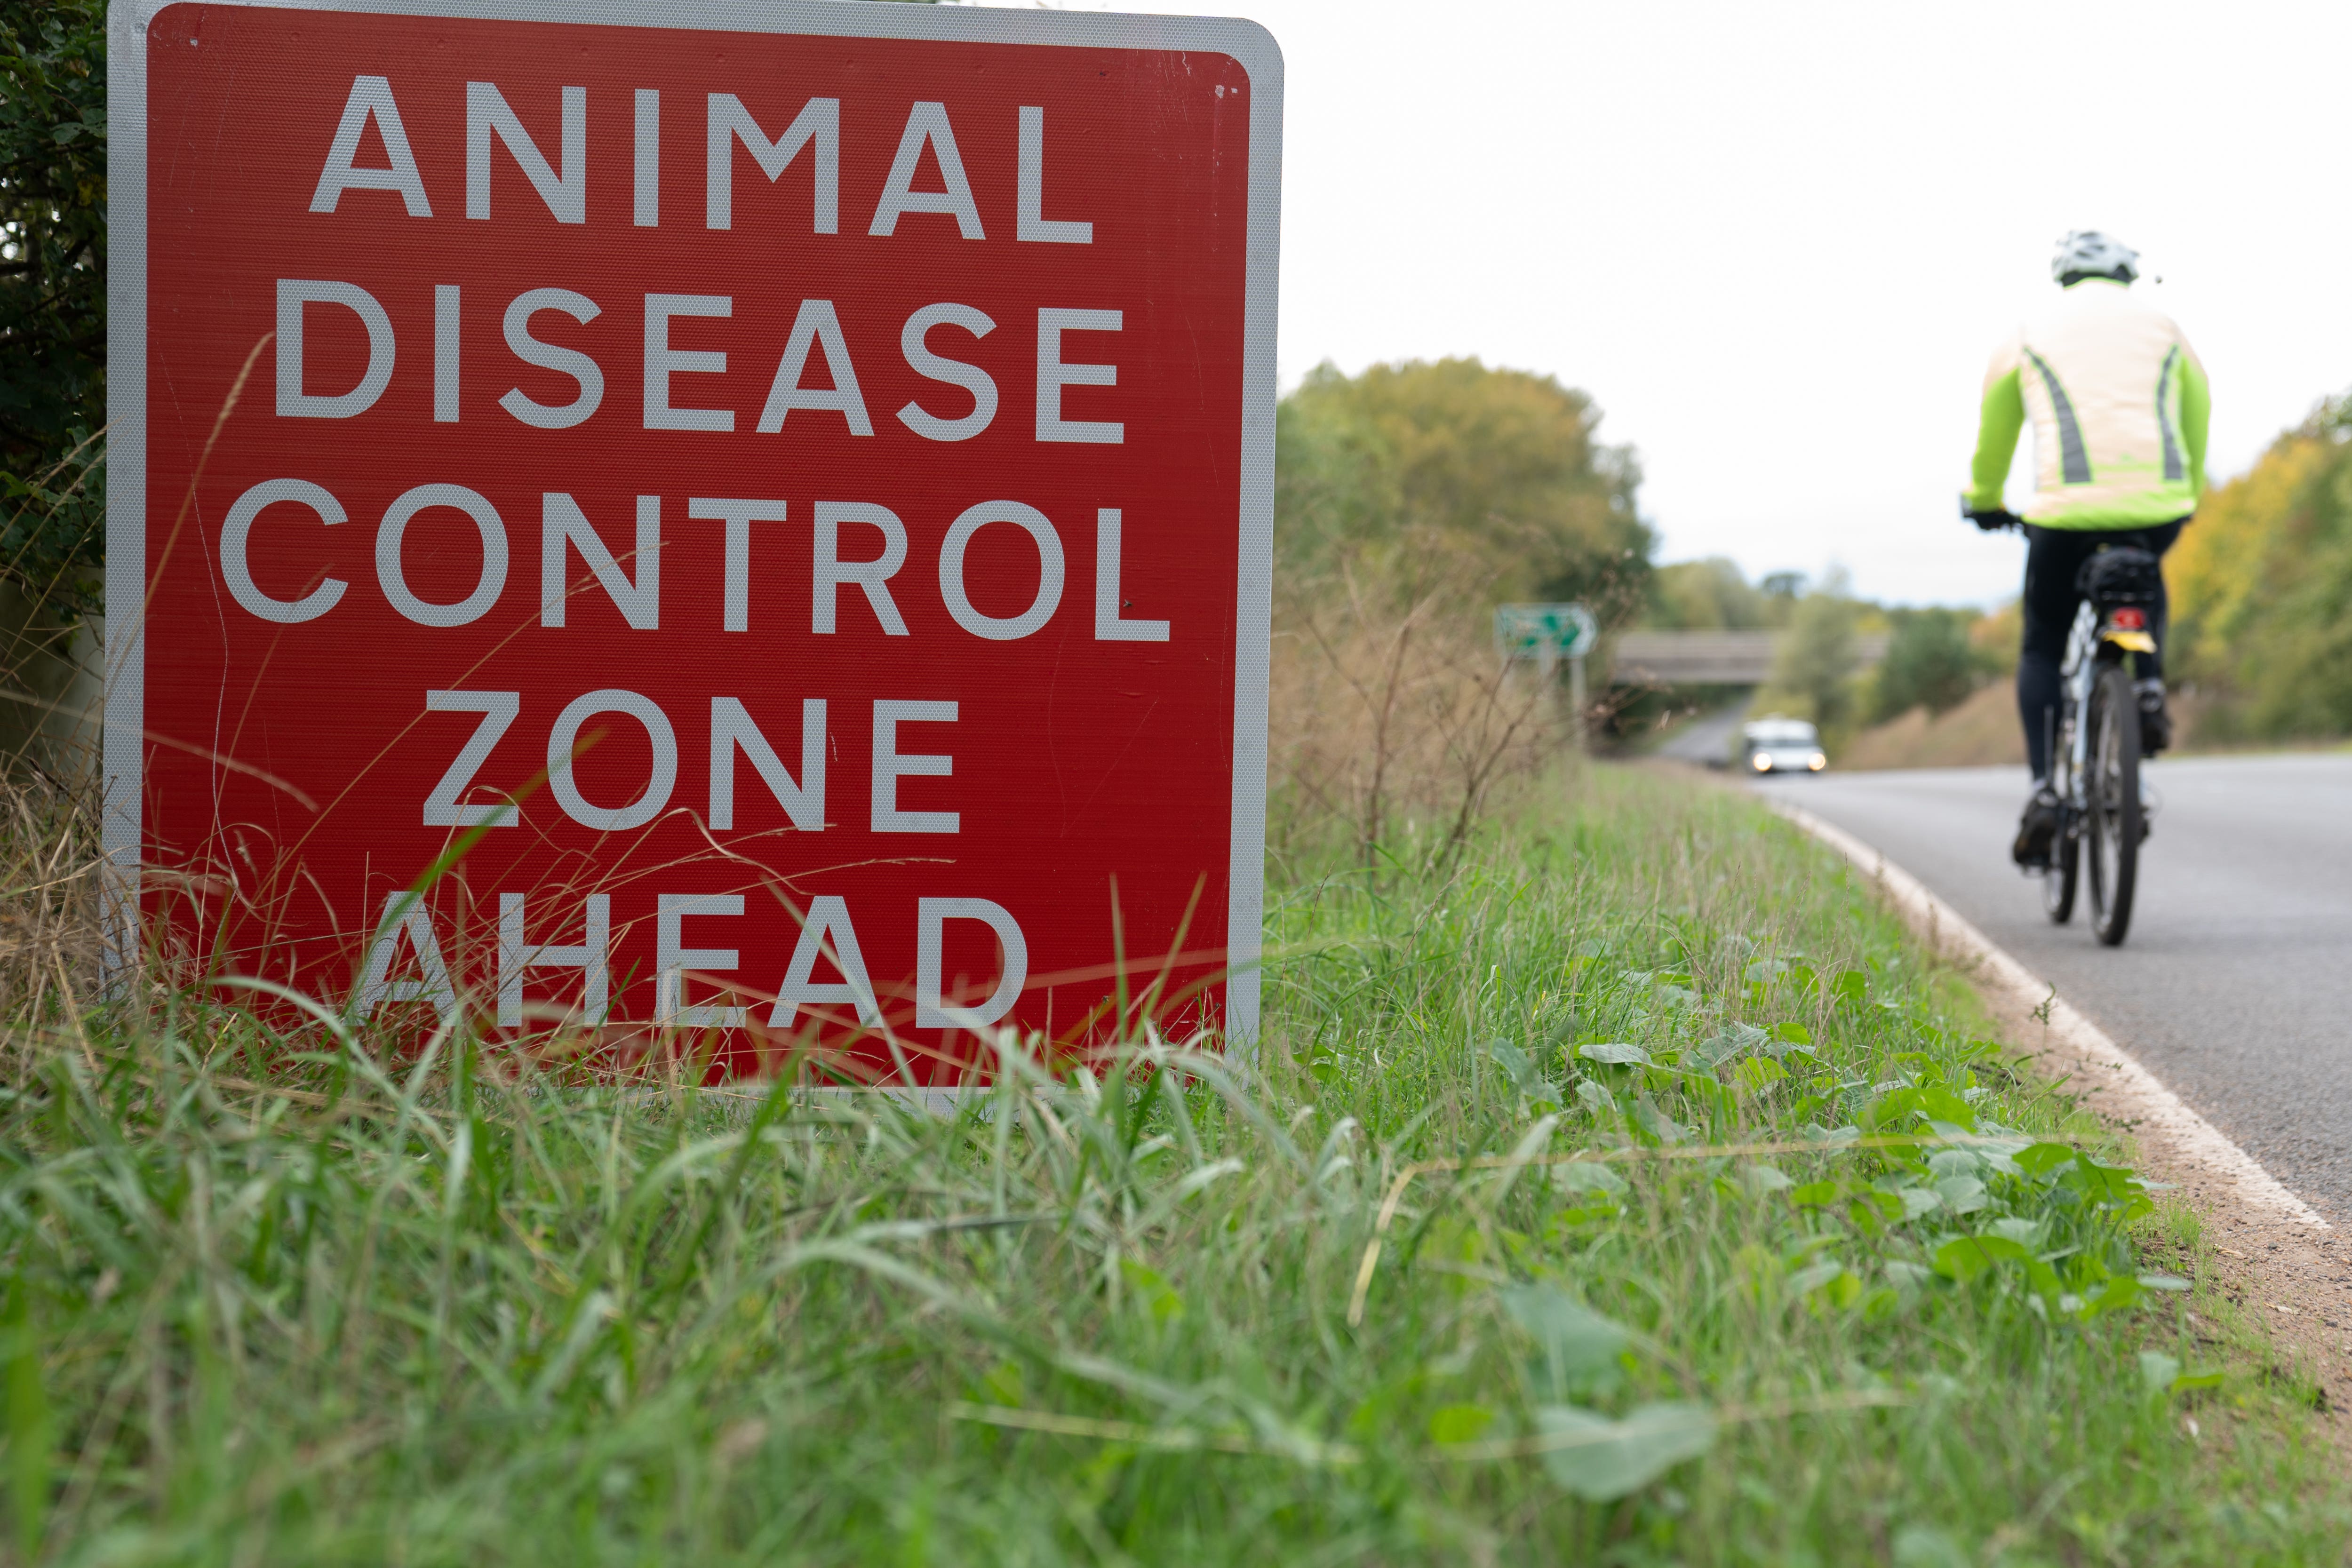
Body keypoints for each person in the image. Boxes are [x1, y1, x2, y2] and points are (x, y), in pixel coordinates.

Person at [1960, 230, 2208, 869]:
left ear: (2064, 277)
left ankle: (2046, 787)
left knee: (2044, 643)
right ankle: (2147, 686)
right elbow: (2198, 408)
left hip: (2064, 515)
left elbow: (1997, 424)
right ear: (2127, 275)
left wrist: (1984, 497)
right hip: (2157, 505)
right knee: (2144, 577)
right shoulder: (2165, 328)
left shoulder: (2029, 331)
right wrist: (2187, 489)